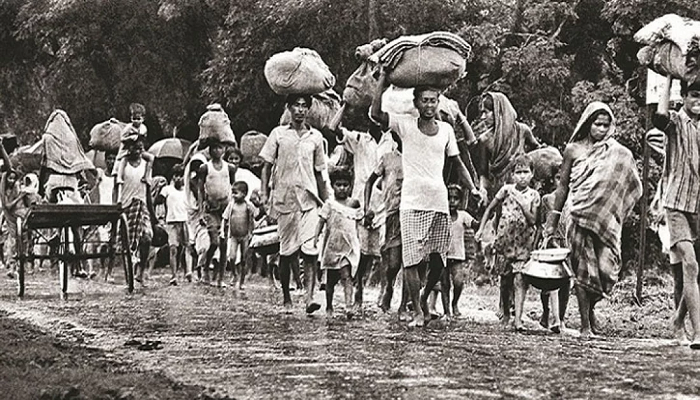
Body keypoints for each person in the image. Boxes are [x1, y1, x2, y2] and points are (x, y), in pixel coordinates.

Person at [371, 67, 483, 327]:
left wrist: (473, 188)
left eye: (433, 100)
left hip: (438, 202)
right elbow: (376, 114)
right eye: (425, 100)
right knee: (411, 258)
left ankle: (421, 297)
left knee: (438, 260)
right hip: (411, 202)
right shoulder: (405, 125)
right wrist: (383, 80)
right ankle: (418, 312)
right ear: (416, 103)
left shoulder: (445, 130)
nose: (429, 105)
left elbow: (457, 164)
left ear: (438, 103)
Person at [544, 101, 641, 339]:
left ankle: (591, 307)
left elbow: (629, 180)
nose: (602, 129)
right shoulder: (573, 150)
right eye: (597, 124)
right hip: (577, 216)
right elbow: (563, 186)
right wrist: (553, 220)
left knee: (607, 271)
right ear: (588, 124)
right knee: (582, 271)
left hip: (605, 221)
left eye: (606, 125)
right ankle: (585, 325)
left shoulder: (617, 152)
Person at [259, 93, 328, 313]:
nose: (300, 110)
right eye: (296, 105)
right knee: (287, 252)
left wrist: (327, 202)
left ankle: (309, 297)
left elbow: (319, 172)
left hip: (309, 200)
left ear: (308, 109)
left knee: (310, 250)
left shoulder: (316, 137)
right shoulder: (278, 134)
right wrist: (264, 194)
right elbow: (266, 167)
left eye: (304, 106)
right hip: (285, 200)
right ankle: (287, 298)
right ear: (288, 108)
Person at [651, 78, 700, 348]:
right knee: (689, 264)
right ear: (684, 97)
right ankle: (699, 333)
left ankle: (678, 319)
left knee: (696, 271)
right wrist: (668, 79)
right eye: (694, 95)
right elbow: (659, 116)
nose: (698, 101)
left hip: (698, 204)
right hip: (677, 202)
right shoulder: (676, 121)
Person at [476, 155, 540, 329]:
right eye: (518, 172)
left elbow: (533, 220)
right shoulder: (506, 190)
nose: (522, 176)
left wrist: (524, 206)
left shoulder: (534, 195)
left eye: (525, 172)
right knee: (505, 281)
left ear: (532, 174)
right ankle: (505, 313)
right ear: (512, 174)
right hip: (504, 243)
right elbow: (490, 208)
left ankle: (517, 318)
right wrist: (481, 229)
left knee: (520, 280)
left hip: (524, 244)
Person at [364, 131, 406, 317]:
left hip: (413, 213)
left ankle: (405, 304)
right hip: (393, 214)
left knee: (412, 262)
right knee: (394, 262)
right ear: (395, 139)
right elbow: (370, 182)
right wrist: (367, 207)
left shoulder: (419, 157)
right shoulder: (388, 158)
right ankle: (388, 287)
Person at [314, 167, 362, 319]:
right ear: (332, 186)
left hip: (348, 246)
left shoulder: (354, 203)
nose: (342, 188)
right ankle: (329, 306)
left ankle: (348, 306)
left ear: (350, 186)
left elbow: (359, 221)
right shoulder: (329, 204)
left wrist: (368, 218)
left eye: (345, 185)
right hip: (333, 246)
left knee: (347, 276)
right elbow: (321, 221)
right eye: (338, 185)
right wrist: (315, 237)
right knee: (331, 281)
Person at [116, 135, 155, 286]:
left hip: (142, 205)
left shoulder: (146, 165)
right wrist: (116, 205)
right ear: (128, 148)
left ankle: (141, 271)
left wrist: (152, 214)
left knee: (147, 238)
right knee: (127, 242)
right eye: (134, 148)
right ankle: (129, 271)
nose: (137, 151)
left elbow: (147, 188)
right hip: (126, 205)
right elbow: (117, 185)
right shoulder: (123, 163)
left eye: (140, 148)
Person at [197, 139, 237, 287]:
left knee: (224, 243)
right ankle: (206, 267)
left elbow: (233, 187)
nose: (216, 151)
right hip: (211, 208)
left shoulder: (230, 168)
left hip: (225, 208)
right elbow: (200, 190)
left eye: (219, 148)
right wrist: (201, 210)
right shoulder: (205, 168)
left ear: (224, 150)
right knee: (214, 241)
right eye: (213, 148)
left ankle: (220, 277)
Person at [443, 184, 478, 319]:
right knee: (444, 284)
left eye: (455, 198)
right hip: (443, 256)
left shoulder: (463, 216)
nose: (452, 201)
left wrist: (482, 213)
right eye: (449, 198)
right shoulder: (442, 215)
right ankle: (447, 311)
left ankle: (455, 303)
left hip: (457, 256)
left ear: (460, 201)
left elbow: (474, 224)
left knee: (458, 282)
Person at [156, 164, 190, 285]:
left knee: (185, 248)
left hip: (184, 221)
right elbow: (158, 200)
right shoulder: (167, 189)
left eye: (181, 175)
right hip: (171, 222)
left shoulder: (187, 190)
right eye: (176, 175)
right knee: (173, 248)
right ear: (173, 177)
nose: (179, 178)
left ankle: (188, 272)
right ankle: (174, 275)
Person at [221, 181, 255, 290]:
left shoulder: (248, 206)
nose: (233, 195)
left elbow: (254, 217)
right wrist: (222, 231)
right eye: (232, 193)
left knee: (244, 259)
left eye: (236, 193)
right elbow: (225, 218)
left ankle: (242, 281)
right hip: (234, 236)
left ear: (244, 194)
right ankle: (234, 273)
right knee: (232, 257)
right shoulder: (231, 205)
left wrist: (251, 232)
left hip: (245, 236)